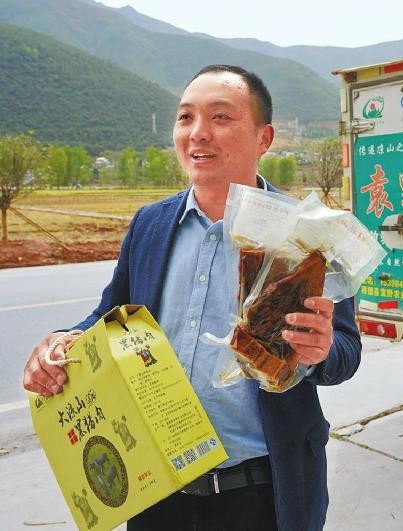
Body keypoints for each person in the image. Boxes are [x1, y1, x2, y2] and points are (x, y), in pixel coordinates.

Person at [22, 64, 362, 531]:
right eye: (185, 117)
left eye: (220, 117)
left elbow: (346, 352)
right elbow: (109, 316)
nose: (198, 133)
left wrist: (320, 351)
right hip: (157, 490)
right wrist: (62, 343)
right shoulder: (150, 225)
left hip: (263, 494)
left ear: (264, 138)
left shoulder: (306, 235)